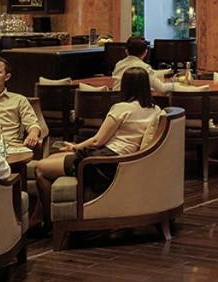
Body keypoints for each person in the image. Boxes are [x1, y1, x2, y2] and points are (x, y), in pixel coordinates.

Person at [34, 69, 162, 205]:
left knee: (40, 167)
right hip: (123, 159)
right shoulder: (156, 110)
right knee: (53, 158)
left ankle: (49, 214)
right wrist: (77, 148)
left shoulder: (123, 108)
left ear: (125, 86)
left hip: (105, 162)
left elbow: (97, 141)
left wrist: (76, 147)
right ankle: (52, 208)